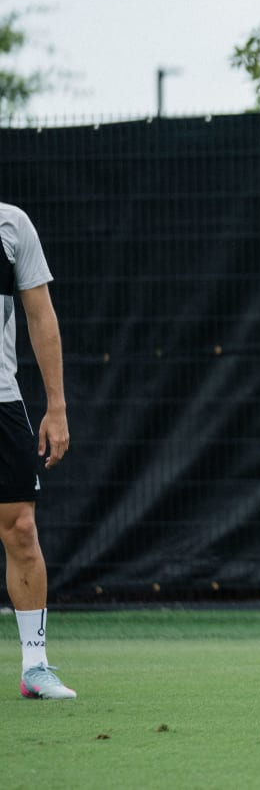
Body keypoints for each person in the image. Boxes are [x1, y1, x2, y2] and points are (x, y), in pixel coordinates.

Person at [0, 201, 74, 700]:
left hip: (2, 400)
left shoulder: (11, 224)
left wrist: (57, 406)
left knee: (21, 528)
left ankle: (35, 666)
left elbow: (40, 313)